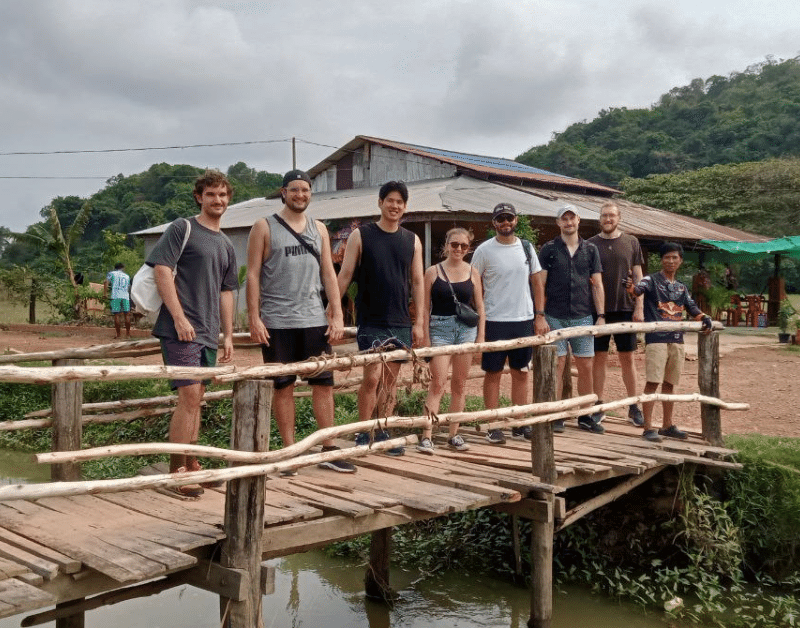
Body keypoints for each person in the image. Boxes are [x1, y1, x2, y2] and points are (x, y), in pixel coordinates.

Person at [246, 169, 354, 473]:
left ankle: (329, 448)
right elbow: (252, 274)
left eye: (305, 190)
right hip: (277, 321)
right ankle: (289, 451)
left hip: (312, 319)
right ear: (283, 192)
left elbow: (328, 273)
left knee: (323, 384)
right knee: (283, 386)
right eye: (294, 190)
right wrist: (254, 317)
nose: (300, 195)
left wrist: (336, 312)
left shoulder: (318, 229)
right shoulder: (263, 227)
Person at [148, 170, 238, 497]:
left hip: (207, 334)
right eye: (211, 194)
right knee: (188, 396)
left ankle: (190, 460)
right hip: (179, 330)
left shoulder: (226, 243)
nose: (218, 200)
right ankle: (177, 472)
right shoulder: (182, 228)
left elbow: (227, 292)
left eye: (223, 195)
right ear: (199, 196)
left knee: (197, 398)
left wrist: (227, 335)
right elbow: (162, 270)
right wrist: (179, 317)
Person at [337, 181, 425, 455]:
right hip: (371, 320)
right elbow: (345, 274)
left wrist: (419, 321)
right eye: (390, 200)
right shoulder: (361, 235)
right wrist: (333, 311)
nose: (394, 206)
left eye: (400, 202)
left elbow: (418, 282)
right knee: (372, 378)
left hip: (400, 321)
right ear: (380, 202)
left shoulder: (412, 240)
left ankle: (383, 429)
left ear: (405, 207)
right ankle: (364, 430)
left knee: (390, 380)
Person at [471, 202, 548, 445]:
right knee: (493, 373)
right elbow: (473, 284)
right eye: (501, 219)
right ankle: (493, 424)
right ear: (494, 223)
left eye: (509, 218)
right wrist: (479, 317)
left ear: (515, 221)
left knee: (521, 373)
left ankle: (518, 422)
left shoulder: (526, 248)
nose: (505, 223)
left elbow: (536, 282)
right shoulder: (483, 251)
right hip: (494, 320)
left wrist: (540, 315)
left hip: (523, 319)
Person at [628, 242, 713, 442]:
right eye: (667, 257)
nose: (671, 261)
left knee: (670, 383)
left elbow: (692, 308)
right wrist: (631, 287)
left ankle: (667, 424)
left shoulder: (682, 287)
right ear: (661, 260)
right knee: (653, 382)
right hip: (656, 340)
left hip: (677, 339)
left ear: (680, 261)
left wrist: (704, 318)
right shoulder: (651, 280)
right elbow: (637, 290)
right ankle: (648, 427)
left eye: (675, 257)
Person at [538, 204, 605, 434]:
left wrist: (601, 316)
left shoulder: (591, 250)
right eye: (563, 219)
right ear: (558, 223)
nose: (568, 222)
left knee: (586, 365)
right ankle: (557, 414)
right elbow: (540, 283)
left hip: (583, 316)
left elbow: (597, 284)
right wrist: (539, 314)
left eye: (572, 218)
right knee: (557, 364)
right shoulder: (549, 249)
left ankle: (585, 414)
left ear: (579, 221)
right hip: (554, 315)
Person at [418, 227, 485, 453]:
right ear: (446, 245)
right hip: (440, 328)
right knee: (437, 383)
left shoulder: (473, 272)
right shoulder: (432, 272)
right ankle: (426, 434)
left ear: (468, 248)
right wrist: (425, 336)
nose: (458, 249)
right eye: (454, 244)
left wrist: (480, 336)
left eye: (463, 246)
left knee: (460, 384)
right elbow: (425, 308)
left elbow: (480, 307)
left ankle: (453, 434)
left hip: (466, 329)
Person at [587, 201, 646, 427]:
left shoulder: (631, 242)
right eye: (604, 216)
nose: (608, 219)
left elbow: (638, 274)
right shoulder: (590, 244)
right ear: (599, 219)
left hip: (624, 307)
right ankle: (598, 405)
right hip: (599, 310)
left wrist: (639, 305)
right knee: (599, 358)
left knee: (627, 358)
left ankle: (633, 405)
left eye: (612, 215)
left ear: (619, 217)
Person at [104, 262, 131, 339]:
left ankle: (118, 335)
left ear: (115, 268)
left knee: (117, 315)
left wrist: (105, 294)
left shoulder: (112, 273)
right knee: (127, 314)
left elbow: (106, 282)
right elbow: (128, 287)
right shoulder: (127, 276)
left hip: (115, 295)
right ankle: (128, 335)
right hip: (125, 296)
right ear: (123, 268)